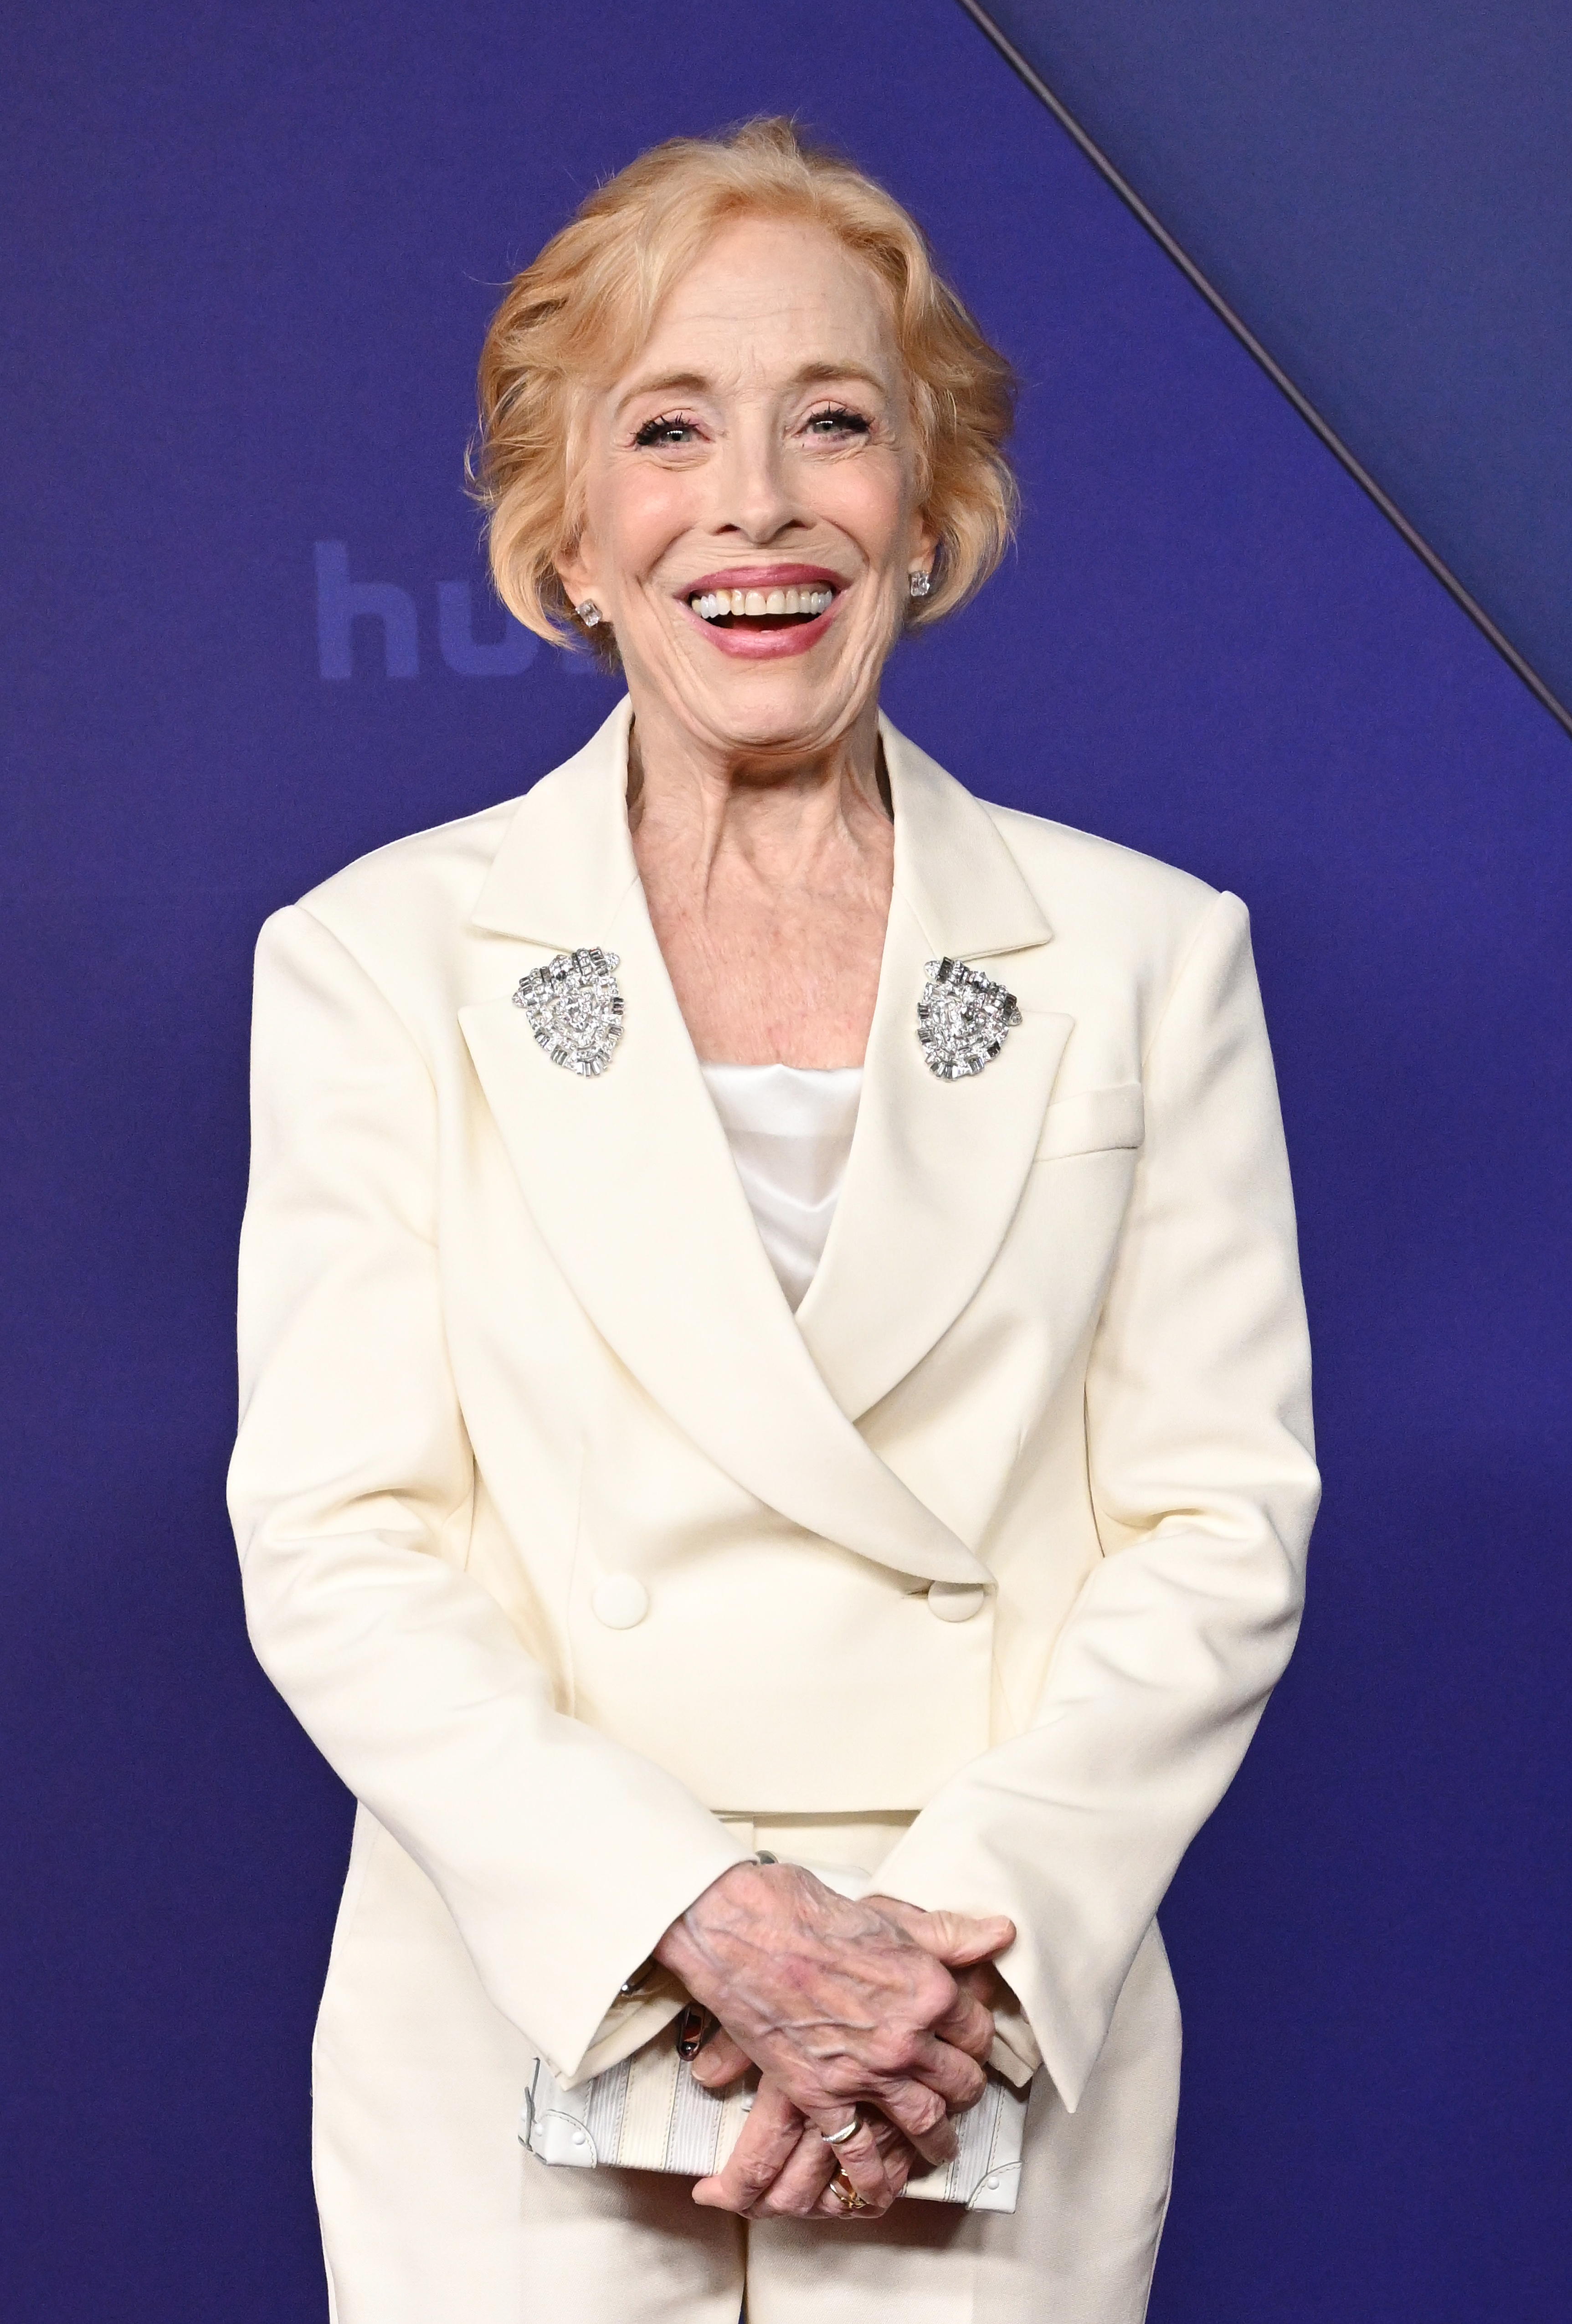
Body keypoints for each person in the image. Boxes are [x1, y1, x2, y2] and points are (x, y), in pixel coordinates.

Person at [229, 117, 1319, 2324]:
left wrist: (943, 1979)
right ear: (566, 527)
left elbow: (1214, 1526)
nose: (755, 503)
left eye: (835, 422)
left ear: (928, 509)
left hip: (975, 2035)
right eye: (668, 430)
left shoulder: (1143, 955)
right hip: (536, 2023)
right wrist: (690, 1919)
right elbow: (339, 1543)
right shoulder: (369, 958)